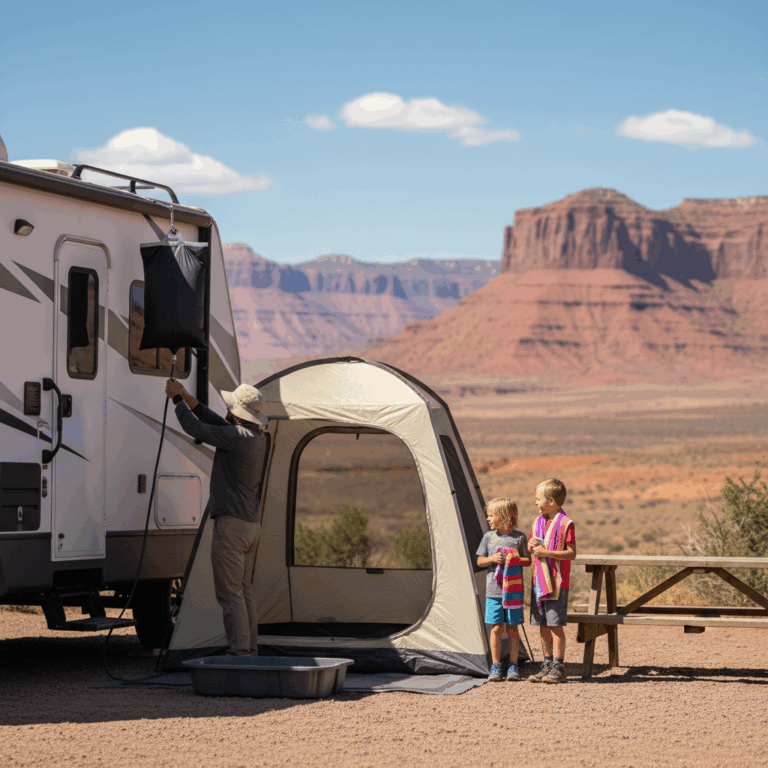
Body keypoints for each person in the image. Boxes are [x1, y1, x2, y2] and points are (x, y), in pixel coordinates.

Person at [165, 378, 268, 656]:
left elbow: (196, 428)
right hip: (250, 526)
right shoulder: (255, 438)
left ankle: (239, 654)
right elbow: (217, 423)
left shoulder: (235, 438)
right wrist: (187, 396)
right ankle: (250, 650)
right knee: (243, 591)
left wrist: (176, 401)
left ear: (237, 413)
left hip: (232, 526)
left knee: (230, 594)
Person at [476, 497, 531, 682]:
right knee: (496, 628)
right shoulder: (488, 537)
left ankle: (513, 665)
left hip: (513, 591)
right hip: (494, 591)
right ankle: (496, 665)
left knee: (513, 628)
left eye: (491, 516)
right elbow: (479, 561)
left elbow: (528, 560)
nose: (488, 519)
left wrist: (513, 558)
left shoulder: (519, 538)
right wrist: (492, 559)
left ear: (504, 516)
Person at [527, 478, 576, 684]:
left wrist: (546, 552)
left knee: (555, 625)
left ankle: (558, 666)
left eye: (539, 499)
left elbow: (571, 553)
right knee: (542, 625)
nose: (536, 502)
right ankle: (546, 664)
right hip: (539, 581)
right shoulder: (537, 523)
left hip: (556, 581)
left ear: (552, 501)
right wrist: (531, 546)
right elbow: (531, 550)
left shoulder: (566, 524)